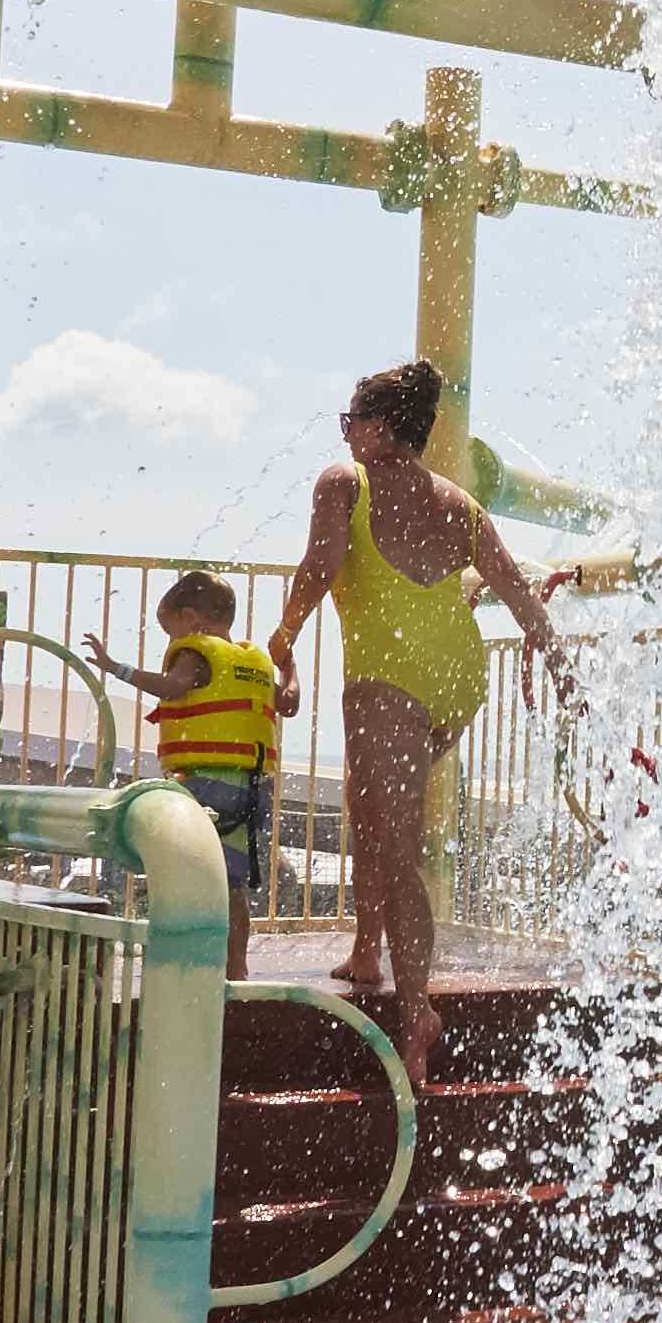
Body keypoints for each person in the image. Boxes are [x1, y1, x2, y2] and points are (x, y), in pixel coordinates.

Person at [275, 357, 569, 1071]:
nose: (346, 434)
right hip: (455, 674)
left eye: (351, 421)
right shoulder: (458, 502)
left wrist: (284, 636)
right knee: (374, 809)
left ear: (379, 428)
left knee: (396, 841)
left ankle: (417, 1012)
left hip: (389, 674)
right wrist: (561, 665)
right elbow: (513, 587)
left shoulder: (345, 482)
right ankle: (364, 949)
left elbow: (320, 566)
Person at [77, 571, 277, 979]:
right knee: (231, 883)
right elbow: (287, 702)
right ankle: (236, 969)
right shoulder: (252, 664)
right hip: (250, 785)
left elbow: (172, 687)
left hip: (205, 781)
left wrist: (117, 668)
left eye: (169, 630)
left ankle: (183, 964)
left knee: (182, 868)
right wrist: (288, 670)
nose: (170, 641)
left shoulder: (196, 654)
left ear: (189, 618)